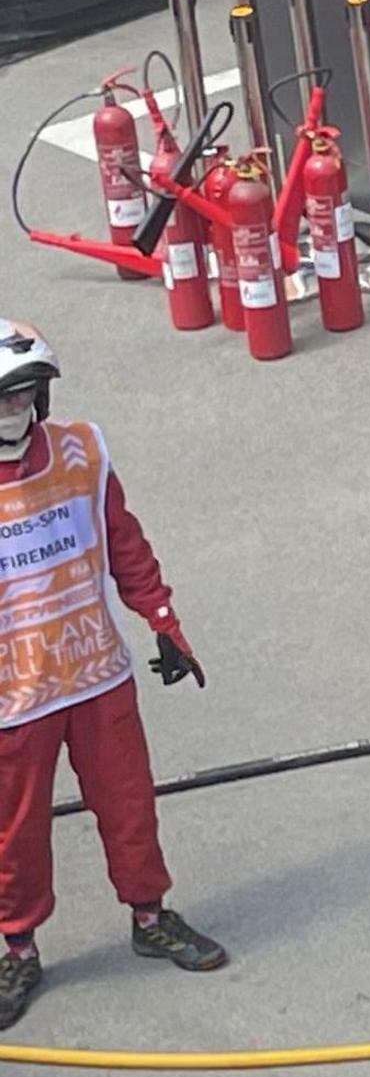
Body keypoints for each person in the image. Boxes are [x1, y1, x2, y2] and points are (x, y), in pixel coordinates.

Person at [0, 320, 223, 1032]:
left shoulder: (81, 454)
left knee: (130, 807)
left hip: (98, 676)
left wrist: (165, 624)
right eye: (1, 399)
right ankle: (19, 947)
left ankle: (150, 916)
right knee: (15, 833)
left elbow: (125, 544)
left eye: (24, 396)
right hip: (14, 700)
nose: (14, 411)